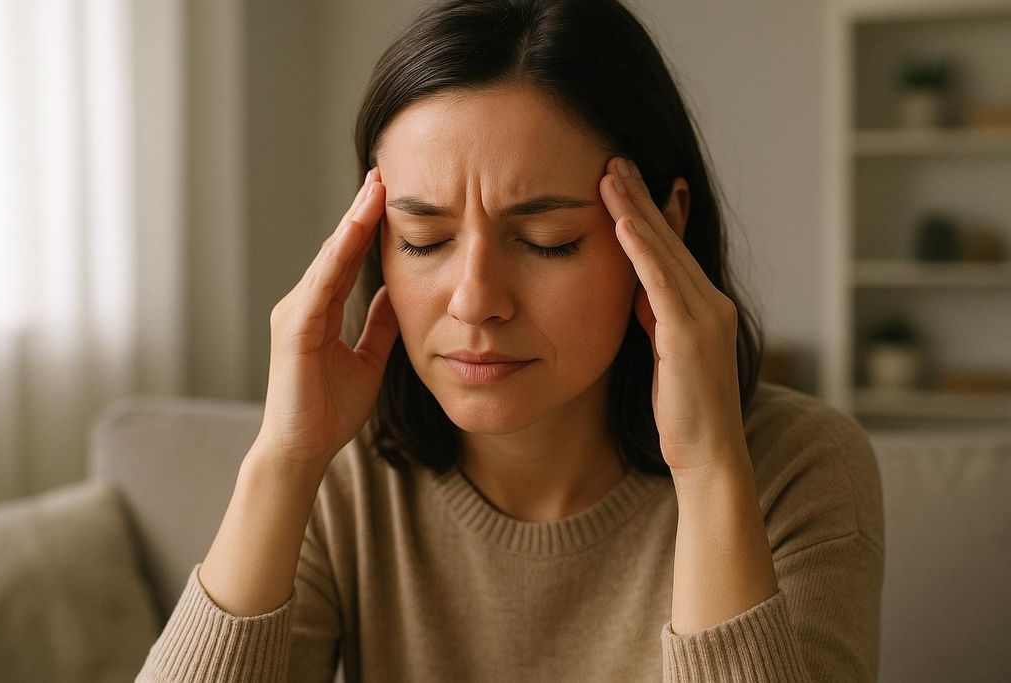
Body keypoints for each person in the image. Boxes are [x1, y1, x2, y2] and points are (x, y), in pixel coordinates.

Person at [137, 0, 884, 681]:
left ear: (666, 227)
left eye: (547, 240)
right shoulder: (347, 477)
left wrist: (713, 468)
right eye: (423, 239)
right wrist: (283, 462)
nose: (474, 301)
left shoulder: (797, 467)